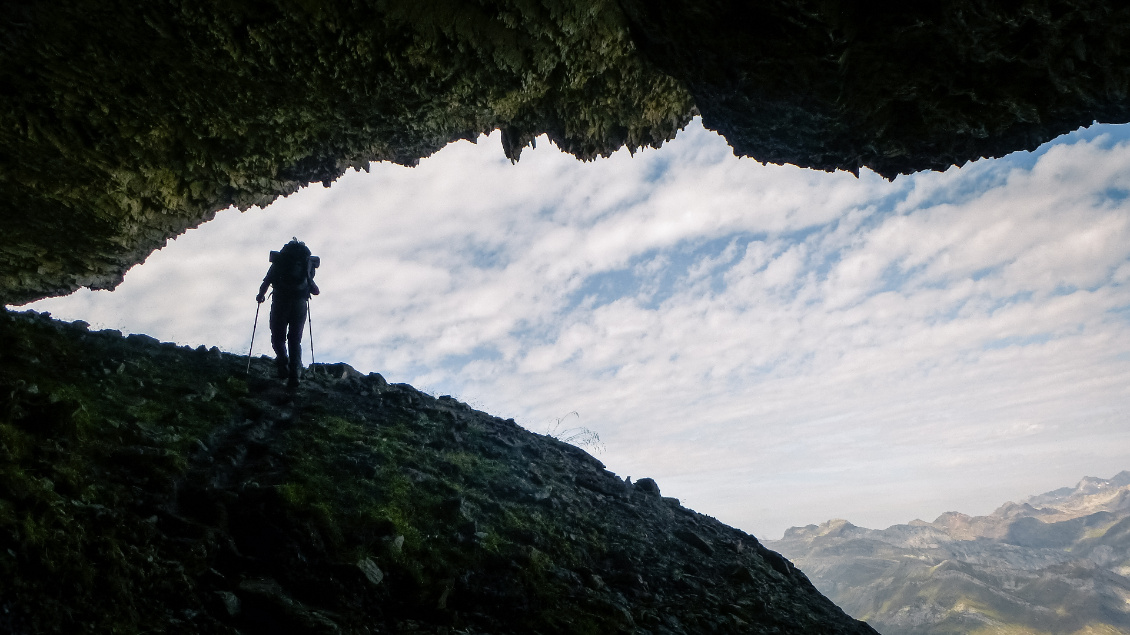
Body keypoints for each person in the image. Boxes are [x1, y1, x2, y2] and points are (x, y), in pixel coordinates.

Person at [256, 238, 319, 388]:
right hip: (299, 303)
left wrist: (261, 295)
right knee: (294, 340)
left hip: (280, 301)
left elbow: (267, 281)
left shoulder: (280, 261)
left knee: (278, 337)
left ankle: (283, 361)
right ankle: (294, 375)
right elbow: (314, 289)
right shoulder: (307, 263)